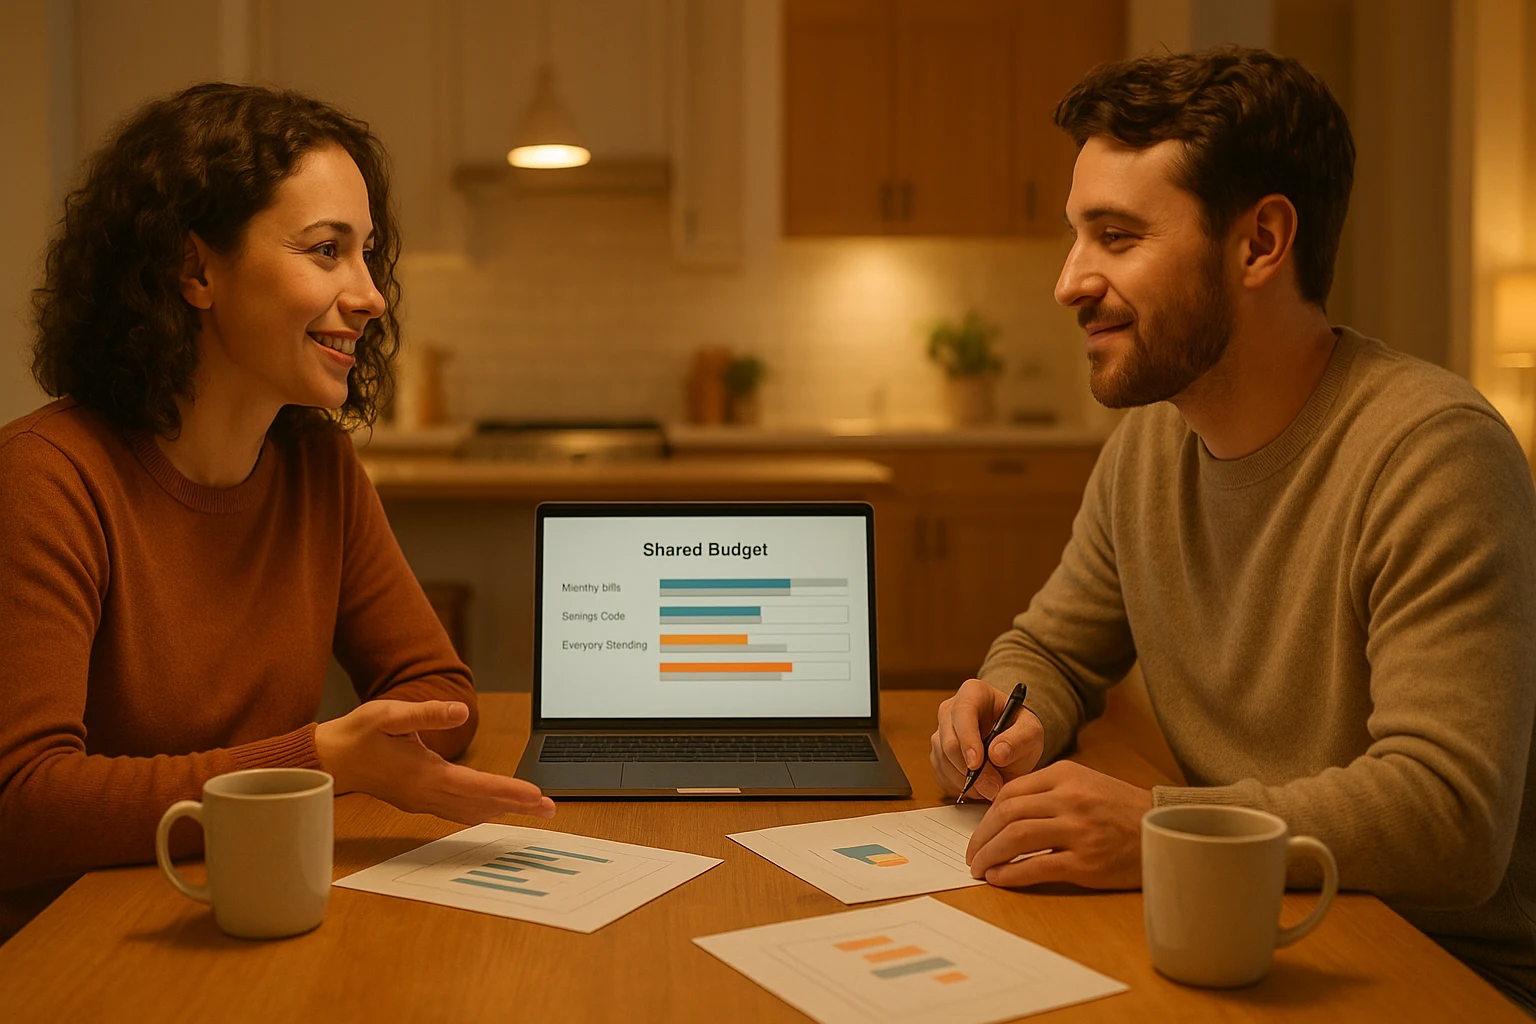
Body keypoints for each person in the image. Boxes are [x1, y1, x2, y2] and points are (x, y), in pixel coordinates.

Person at [928, 48, 1536, 1008]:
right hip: (1229, 920)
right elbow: (1052, 648)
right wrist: (1009, 712)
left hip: (1440, 967)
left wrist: (1156, 827)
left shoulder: (1435, 454)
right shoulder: (1148, 446)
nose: (1069, 281)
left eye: (1116, 237)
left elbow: (1450, 817)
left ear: (1260, 243)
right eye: (1076, 237)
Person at [0, 82, 554, 940]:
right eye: (327, 250)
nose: (371, 295)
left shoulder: (318, 468)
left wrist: (358, 757)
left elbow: (439, 692)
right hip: (82, 943)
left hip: (252, 898)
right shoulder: (45, 479)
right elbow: (23, 807)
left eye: (368, 253)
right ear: (195, 270)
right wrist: (321, 759)